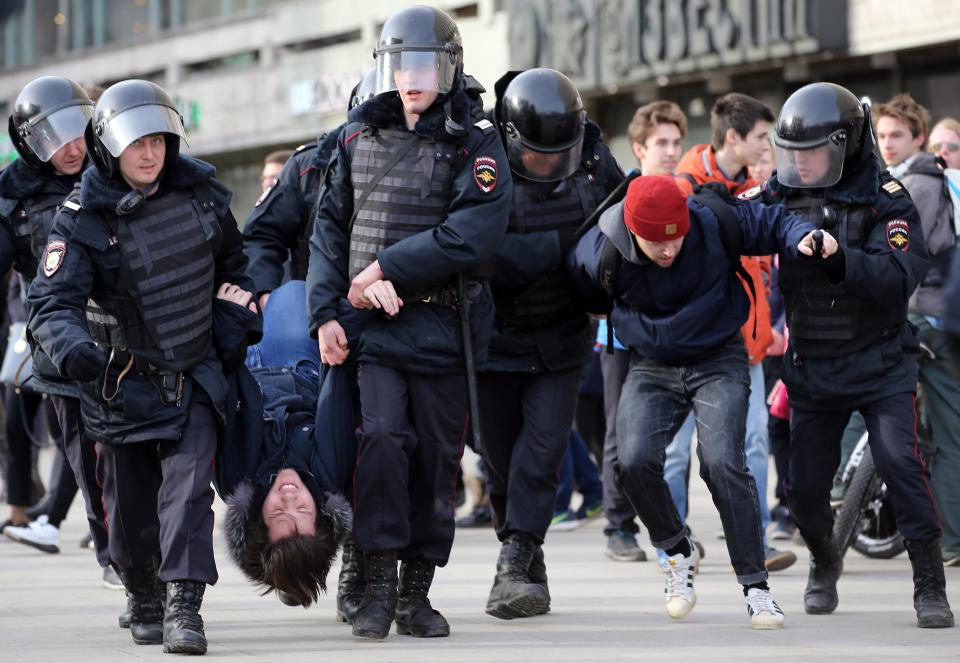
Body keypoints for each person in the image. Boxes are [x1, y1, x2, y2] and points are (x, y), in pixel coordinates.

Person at [27, 79, 261, 654]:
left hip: (196, 372)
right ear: (109, 146)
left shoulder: (203, 194)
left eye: (158, 139)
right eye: (137, 142)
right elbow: (50, 303)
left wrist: (235, 320)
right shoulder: (80, 216)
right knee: (129, 507)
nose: (150, 153)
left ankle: (185, 605)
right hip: (120, 382)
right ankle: (142, 593)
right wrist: (71, 346)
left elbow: (238, 267)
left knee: (187, 495)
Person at [306, 5, 511, 640]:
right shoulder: (354, 135)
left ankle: (415, 592)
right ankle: (377, 582)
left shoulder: (477, 141)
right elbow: (328, 229)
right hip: (375, 333)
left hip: (446, 330)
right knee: (385, 445)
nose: (410, 76)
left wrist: (388, 268)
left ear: (448, 67)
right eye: (400, 64)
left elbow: (472, 235)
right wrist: (323, 313)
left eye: (422, 63)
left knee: (436, 462)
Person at [568, 174, 829, 629]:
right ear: (632, 230)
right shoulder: (601, 249)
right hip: (650, 363)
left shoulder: (712, 221)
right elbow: (576, 287)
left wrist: (802, 236)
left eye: (676, 239)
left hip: (717, 357)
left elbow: (772, 220)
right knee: (631, 460)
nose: (668, 251)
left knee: (723, 461)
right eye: (655, 243)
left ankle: (756, 587)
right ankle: (675, 551)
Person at [755, 81, 953, 628]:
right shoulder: (782, 191)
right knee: (804, 492)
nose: (800, 162)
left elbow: (900, 275)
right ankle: (824, 561)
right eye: (791, 152)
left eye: (811, 150)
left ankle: (929, 585)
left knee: (901, 467)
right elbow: (740, 221)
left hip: (882, 365)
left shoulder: (886, 199)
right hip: (814, 369)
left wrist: (841, 257)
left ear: (842, 145)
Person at [477, 68, 622, 619]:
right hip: (494, 340)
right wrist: (561, 245)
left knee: (540, 456)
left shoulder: (590, 158)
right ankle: (522, 547)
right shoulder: (482, 160)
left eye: (556, 152)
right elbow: (481, 251)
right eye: (537, 154)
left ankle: (514, 561)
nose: (547, 163)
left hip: (562, 341)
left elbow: (616, 225)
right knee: (499, 461)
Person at [0, 77, 121, 585]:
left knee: (133, 460)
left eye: (77, 132)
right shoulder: (14, 196)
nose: (70, 149)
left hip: (128, 340)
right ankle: (116, 557)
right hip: (58, 347)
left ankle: (144, 560)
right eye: (52, 139)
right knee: (84, 463)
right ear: (30, 143)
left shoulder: (119, 170)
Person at [672, 92, 795, 572]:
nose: (768, 145)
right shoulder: (684, 184)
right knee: (678, 451)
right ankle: (674, 544)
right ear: (733, 138)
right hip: (692, 343)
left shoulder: (759, 187)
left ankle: (756, 539)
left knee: (756, 444)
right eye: (761, 137)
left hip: (748, 342)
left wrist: (770, 328)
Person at [218, 280, 354, 607]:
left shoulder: (237, 482)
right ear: (320, 512)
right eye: (303, 509)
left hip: (244, 367)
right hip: (296, 364)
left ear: (258, 519)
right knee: (294, 292)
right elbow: (334, 393)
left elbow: (229, 397)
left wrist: (233, 328)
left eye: (278, 511)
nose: (289, 497)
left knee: (233, 294)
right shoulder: (328, 475)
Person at [874, 93, 960, 569]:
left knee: (944, 432)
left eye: (896, 136)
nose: (887, 144)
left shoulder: (918, 183)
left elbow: (906, 257)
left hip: (920, 315)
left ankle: (950, 541)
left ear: (918, 138)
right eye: (882, 135)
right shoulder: (915, 179)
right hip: (931, 314)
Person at [600, 100, 688, 563]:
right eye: (661, 143)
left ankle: (670, 523)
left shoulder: (686, 193)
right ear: (639, 148)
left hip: (672, 332)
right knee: (620, 429)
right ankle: (619, 525)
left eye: (676, 142)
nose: (671, 151)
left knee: (670, 437)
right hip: (622, 335)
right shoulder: (620, 194)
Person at [244, 68, 377, 312]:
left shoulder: (429, 160)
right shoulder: (308, 167)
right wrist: (266, 296)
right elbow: (262, 235)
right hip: (314, 317)